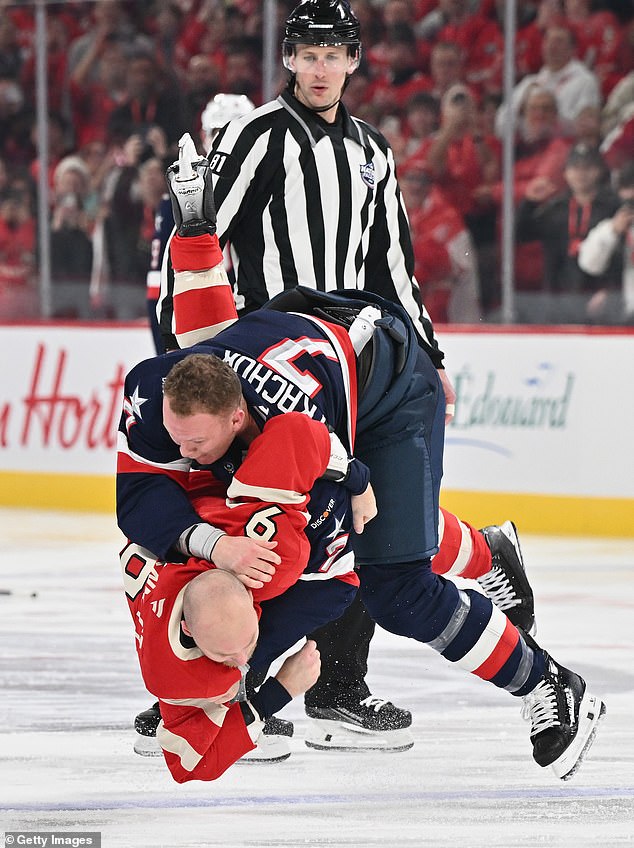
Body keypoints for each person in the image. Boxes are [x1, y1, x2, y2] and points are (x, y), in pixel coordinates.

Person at [153, 0, 534, 752]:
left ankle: (334, 688)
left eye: (335, 55)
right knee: (267, 514)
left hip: (355, 359)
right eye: (308, 54)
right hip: (272, 359)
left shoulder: (371, 150)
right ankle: (217, 684)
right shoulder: (260, 135)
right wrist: (190, 346)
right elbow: (203, 234)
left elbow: (393, 261)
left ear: (355, 60)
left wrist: (430, 353)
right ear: (288, 59)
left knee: (350, 518)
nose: (321, 68)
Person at [118, 203, 605, 782]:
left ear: (236, 418)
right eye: (176, 437)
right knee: (227, 496)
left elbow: (332, 583)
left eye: (194, 442)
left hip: (389, 390)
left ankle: (548, 681)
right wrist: (214, 548)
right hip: (317, 364)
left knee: (395, 585)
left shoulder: (288, 439)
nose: (180, 451)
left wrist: (253, 686)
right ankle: (487, 551)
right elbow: (142, 497)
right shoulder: (160, 397)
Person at [515, 142, 620, 323]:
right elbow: (521, 235)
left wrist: (611, 290)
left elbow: (621, 255)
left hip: (600, 297)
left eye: (587, 167)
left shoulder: (612, 208)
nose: (581, 174)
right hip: (559, 297)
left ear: (599, 171)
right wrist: (529, 202)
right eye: (575, 168)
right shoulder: (555, 209)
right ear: (565, 173)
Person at [577, 161, 634, 324]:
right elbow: (588, 263)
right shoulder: (610, 226)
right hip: (620, 314)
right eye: (627, 202)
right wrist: (613, 231)